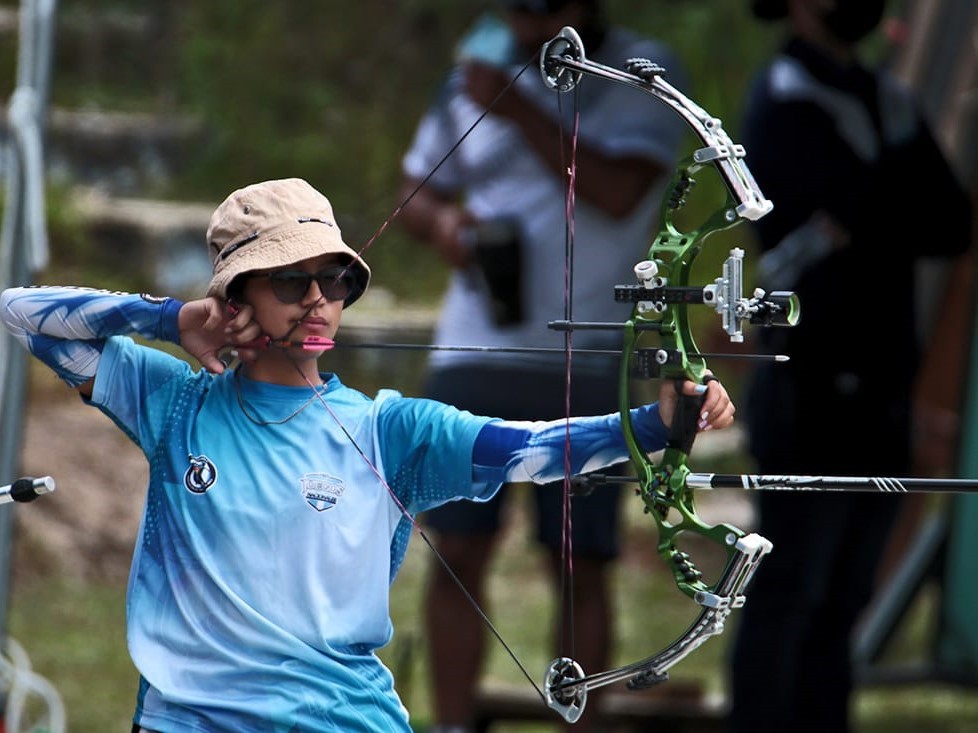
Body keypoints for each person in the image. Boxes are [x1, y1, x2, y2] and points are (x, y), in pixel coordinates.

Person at [0, 177, 735, 733]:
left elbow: (531, 449)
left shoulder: (391, 430)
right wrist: (169, 316)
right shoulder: (174, 403)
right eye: (292, 279)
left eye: (337, 279)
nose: (318, 298)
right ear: (237, 292)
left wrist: (655, 420)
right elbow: (21, 314)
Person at [397, 2, 690, 729]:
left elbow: (619, 193)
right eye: (514, 4)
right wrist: (445, 224)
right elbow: (416, 190)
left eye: (545, 3)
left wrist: (520, 100)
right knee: (457, 548)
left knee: (578, 560)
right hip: (475, 346)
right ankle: (455, 722)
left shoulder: (642, 71)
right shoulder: (478, 66)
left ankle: (578, 720)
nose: (525, 17)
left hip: (588, 355)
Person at [728, 2, 972, 732]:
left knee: (844, 594)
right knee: (789, 585)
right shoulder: (783, 95)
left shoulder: (887, 97)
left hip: (884, 378)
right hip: (808, 384)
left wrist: (865, 208)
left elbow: (948, 220)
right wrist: (873, 202)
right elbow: (815, 208)